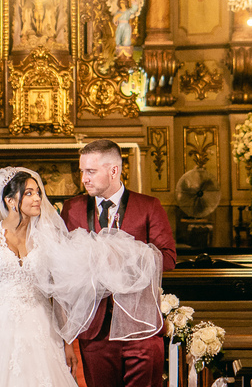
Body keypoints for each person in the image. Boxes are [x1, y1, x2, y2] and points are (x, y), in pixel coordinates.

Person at [0, 166, 165, 387]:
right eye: (29, 193)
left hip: (40, 325)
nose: (38, 198)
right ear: (9, 200)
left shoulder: (48, 239)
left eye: (38, 192)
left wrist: (67, 343)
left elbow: (59, 293)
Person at [61, 139, 177, 387]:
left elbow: (168, 258)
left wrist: (126, 256)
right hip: (96, 330)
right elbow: (62, 267)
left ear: (114, 170)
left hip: (141, 329)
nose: (84, 179)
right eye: (82, 171)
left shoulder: (149, 206)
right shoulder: (72, 209)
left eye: (90, 171)